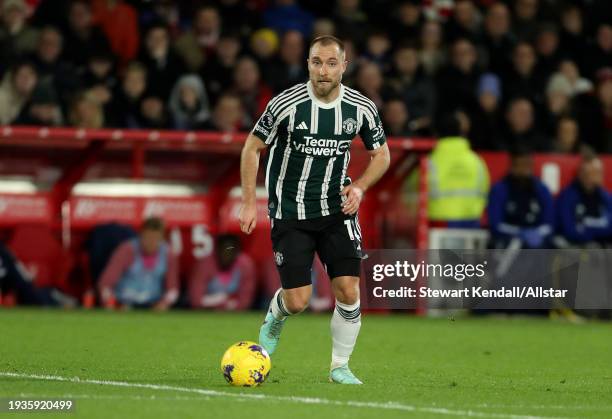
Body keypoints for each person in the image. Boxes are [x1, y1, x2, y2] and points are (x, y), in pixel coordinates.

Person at [239, 35, 390, 384]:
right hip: (290, 213)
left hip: (338, 210)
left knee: (349, 290)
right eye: (317, 62)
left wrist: (361, 187)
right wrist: (249, 201)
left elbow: (381, 155)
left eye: (331, 63)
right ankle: (276, 316)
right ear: (307, 64)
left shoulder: (361, 108)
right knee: (298, 300)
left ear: (344, 66)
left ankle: (340, 366)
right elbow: (251, 148)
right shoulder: (285, 104)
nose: (323, 71)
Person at [98, 217, 179, 310]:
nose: (151, 242)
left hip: (153, 306)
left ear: (162, 238)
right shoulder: (126, 250)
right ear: (141, 235)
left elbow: (173, 290)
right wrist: (114, 304)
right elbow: (105, 284)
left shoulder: (168, 254)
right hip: (124, 304)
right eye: (147, 237)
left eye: (156, 238)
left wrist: (164, 303)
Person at [427, 111, 489, 227]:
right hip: (471, 223)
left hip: (438, 224)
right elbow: (485, 194)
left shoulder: (428, 162)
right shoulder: (477, 161)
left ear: (436, 133)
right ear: (461, 132)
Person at [488, 148, 554, 249]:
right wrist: (519, 233)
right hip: (508, 242)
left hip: (537, 243)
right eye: (521, 165)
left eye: (528, 165)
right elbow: (496, 224)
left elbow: (550, 223)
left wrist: (537, 233)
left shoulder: (541, 189)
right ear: (512, 166)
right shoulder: (500, 189)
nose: (525, 170)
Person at [555, 152, 612, 247]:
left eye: (598, 172)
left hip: (602, 244)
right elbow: (569, 230)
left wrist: (589, 230)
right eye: (590, 173)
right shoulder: (567, 197)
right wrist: (599, 232)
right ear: (580, 174)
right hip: (576, 245)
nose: (594, 177)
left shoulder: (606, 197)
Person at [188, 234, 256, 310]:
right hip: (206, 312)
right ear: (217, 250)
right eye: (224, 249)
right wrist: (218, 301)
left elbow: (245, 301)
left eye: (231, 251)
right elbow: (196, 300)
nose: (227, 254)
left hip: (234, 311)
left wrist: (229, 305)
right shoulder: (204, 264)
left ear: (237, 252)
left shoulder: (245, 265)